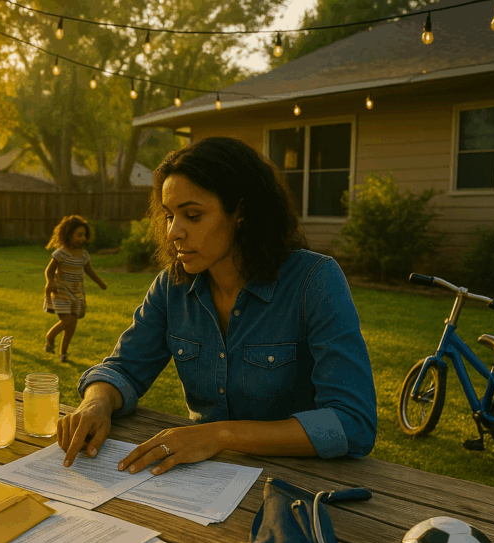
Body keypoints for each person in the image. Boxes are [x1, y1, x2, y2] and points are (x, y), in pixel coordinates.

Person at [57, 136, 377, 476]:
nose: (173, 233)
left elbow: (352, 421)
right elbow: (123, 368)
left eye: (192, 215)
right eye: (168, 216)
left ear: (242, 211)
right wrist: (97, 402)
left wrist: (220, 435)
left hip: (298, 485)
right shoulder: (173, 287)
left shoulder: (314, 281)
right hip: (197, 480)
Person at [42, 215, 108, 363]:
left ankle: (63, 353)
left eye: (84, 235)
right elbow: (49, 271)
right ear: (68, 234)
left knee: (71, 326)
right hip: (61, 293)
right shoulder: (60, 253)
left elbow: (89, 271)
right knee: (69, 319)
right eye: (79, 235)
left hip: (76, 294)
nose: (82, 238)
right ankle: (49, 337)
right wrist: (50, 282)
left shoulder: (83, 255)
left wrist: (100, 283)